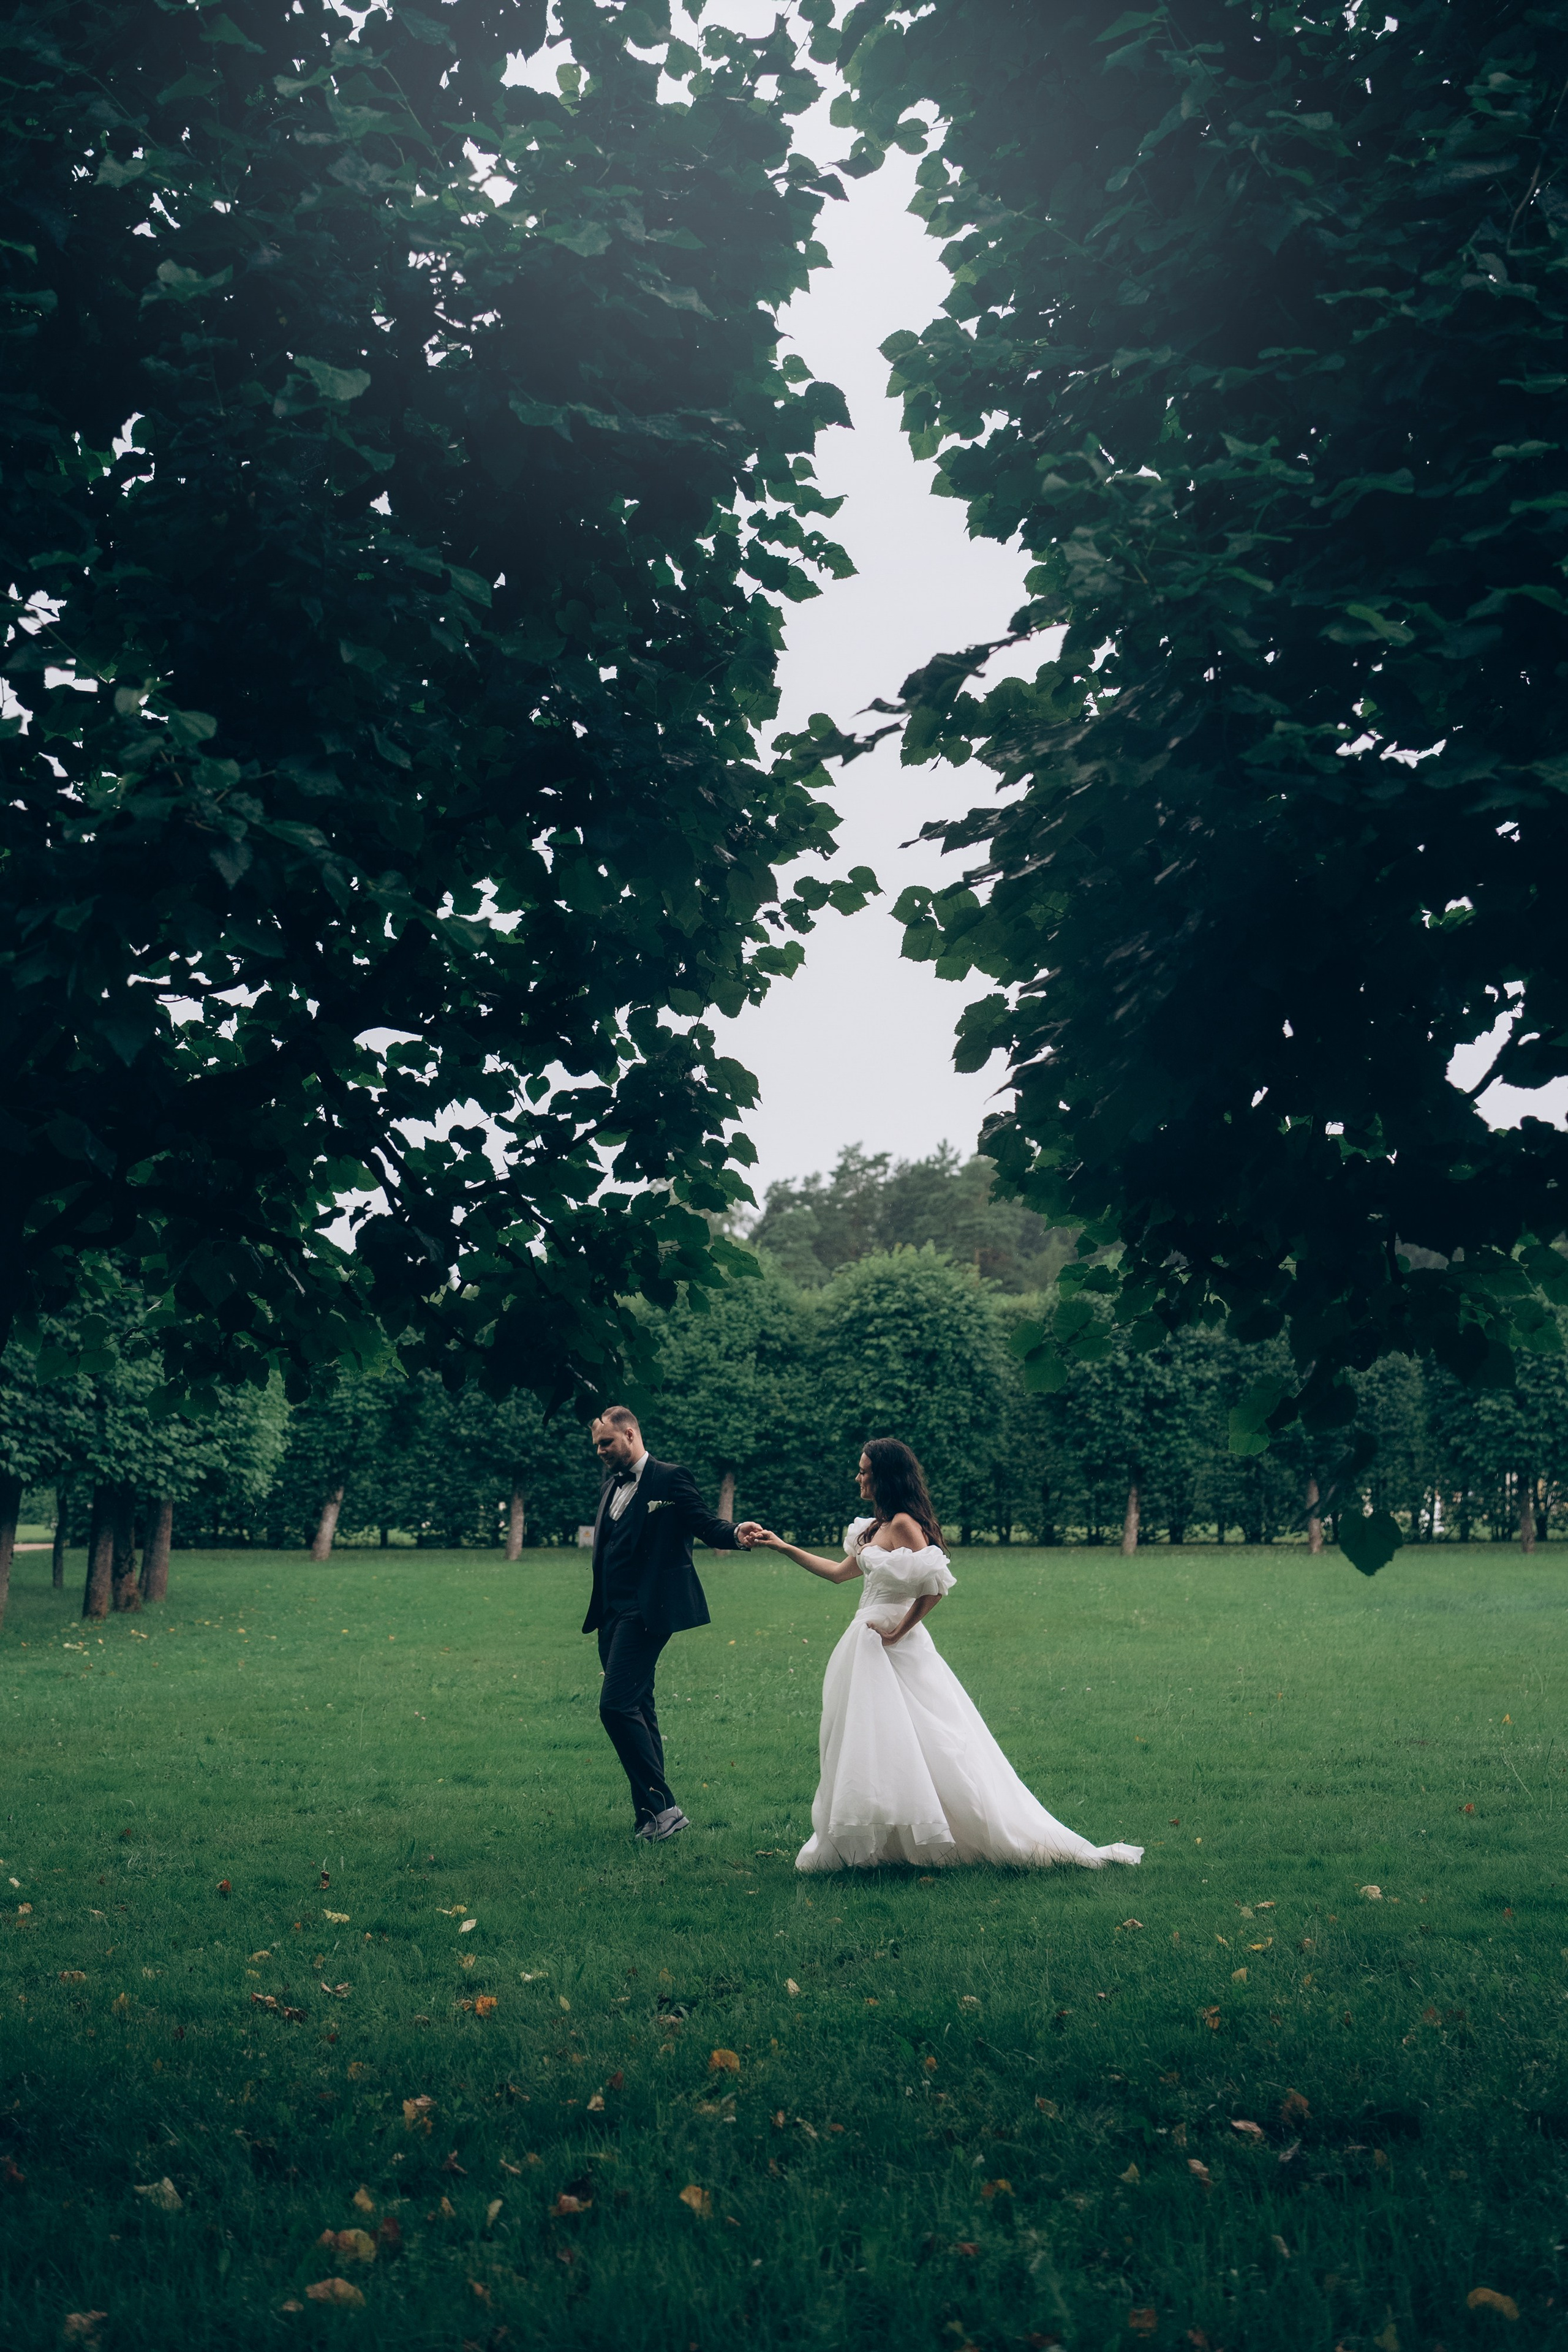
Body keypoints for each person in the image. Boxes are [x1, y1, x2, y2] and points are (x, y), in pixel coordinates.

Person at [753, 1436, 1143, 1873]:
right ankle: (887, 1845)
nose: (858, 1477)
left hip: (894, 1646)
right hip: (864, 1646)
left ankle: (950, 1833)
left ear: (884, 1476)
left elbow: (936, 1584)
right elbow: (837, 1574)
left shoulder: (904, 1524)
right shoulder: (871, 1528)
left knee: (930, 1741)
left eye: (864, 1470)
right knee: (872, 1742)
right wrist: (781, 1545)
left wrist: (900, 1630)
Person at [584, 1406, 764, 1843]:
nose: (601, 1452)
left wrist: (736, 1533)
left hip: (649, 1611)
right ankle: (649, 1817)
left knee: (615, 1706)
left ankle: (664, 1808)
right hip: (611, 1612)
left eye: (607, 1443)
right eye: (596, 1446)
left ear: (630, 1434)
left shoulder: (670, 1478)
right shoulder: (611, 1485)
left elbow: (703, 1523)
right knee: (638, 1707)